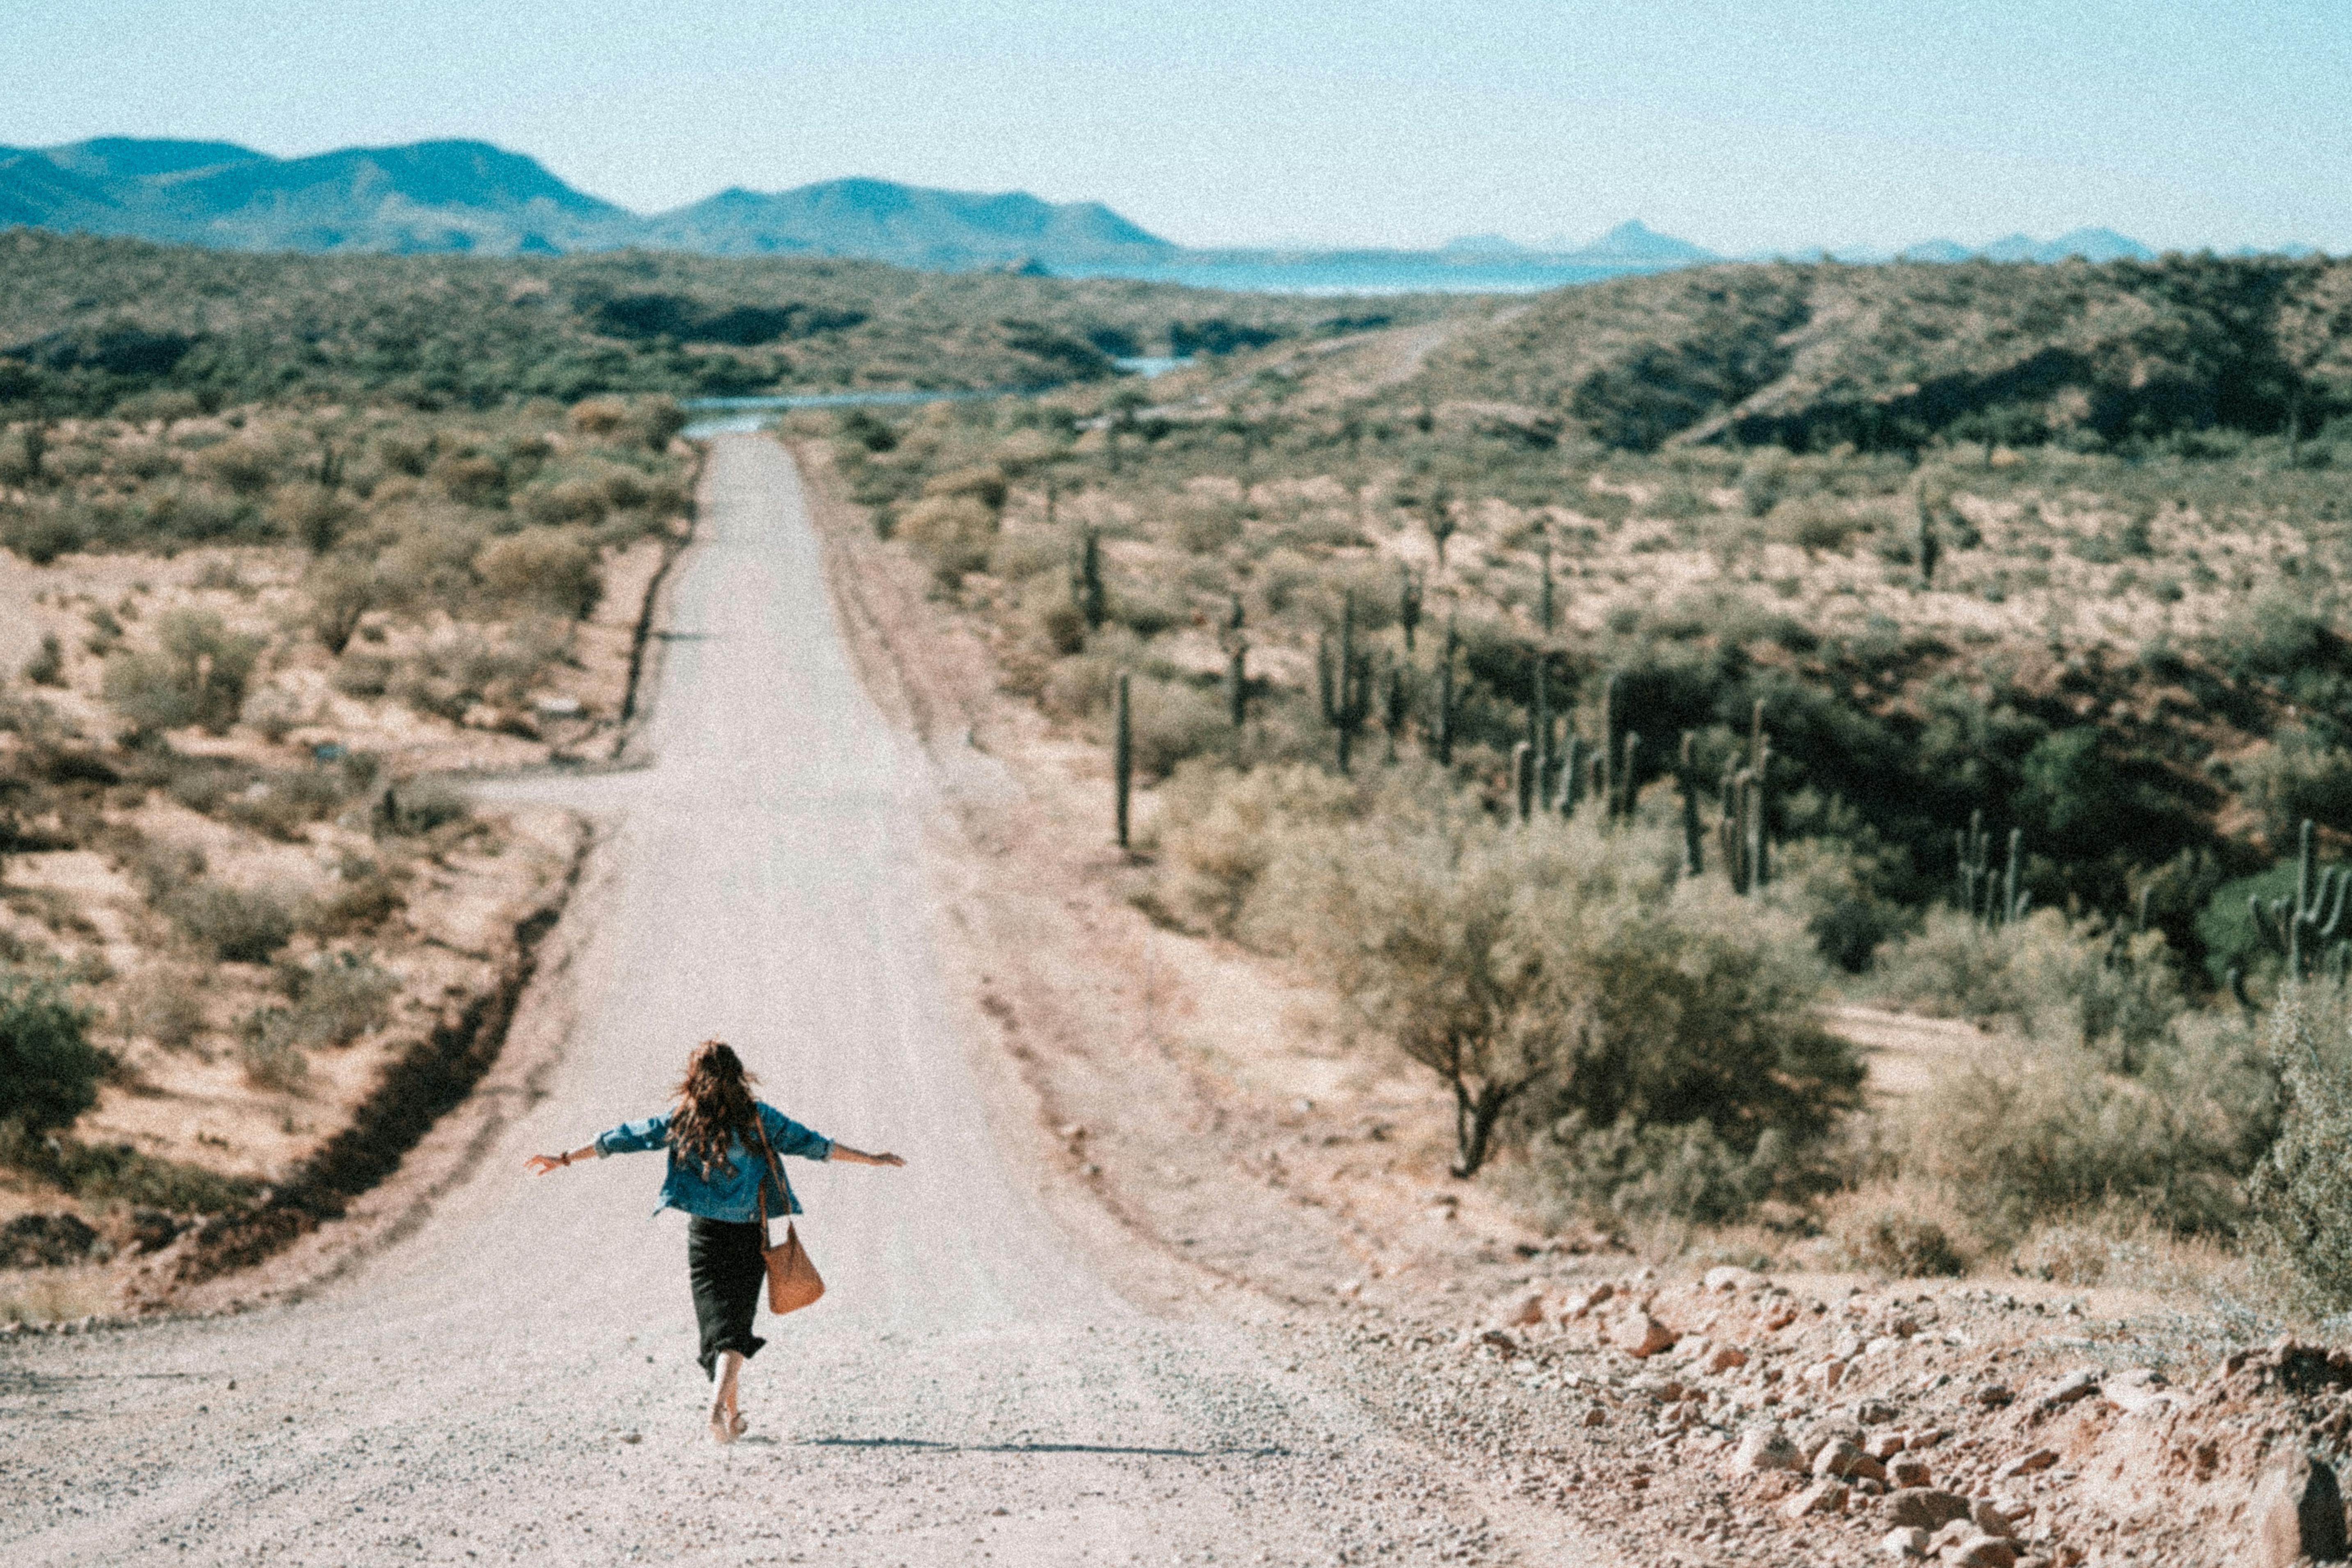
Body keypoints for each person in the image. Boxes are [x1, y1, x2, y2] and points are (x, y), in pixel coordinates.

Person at [527, 1038, 905, 1443]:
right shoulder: (761, 1120)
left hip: (704, 1237)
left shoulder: (683, 1121)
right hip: (748, 1235)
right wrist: (870, 1158)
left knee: (718, 1331)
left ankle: (729, 1416)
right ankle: (720, 1413)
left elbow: (621, 1138)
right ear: (739, 1076)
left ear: (694, 1080)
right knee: (734, 1331)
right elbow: (815, 1145)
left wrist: (564, 1158)